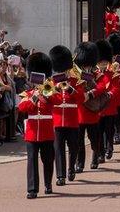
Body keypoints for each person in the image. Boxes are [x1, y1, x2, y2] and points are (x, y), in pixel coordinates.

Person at [17, 52, 56, 199]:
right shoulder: (27, 93)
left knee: (48, 160)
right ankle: (32, 189)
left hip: (46, 131)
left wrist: (45, 95)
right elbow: (22, 108)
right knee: (32, 161)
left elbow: (56, 100)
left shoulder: (49, 91)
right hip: (32, 132)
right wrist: (34, 97)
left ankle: (48, 184)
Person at [49, 45, 82, 185]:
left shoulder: (75, 82)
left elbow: (81, 98)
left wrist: (71, 90)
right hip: (57, 120)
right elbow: (48, 99)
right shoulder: (52, 82)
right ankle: (60, 176)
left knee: (74, 147)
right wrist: (55, 90)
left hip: (72, 119)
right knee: (59, 148)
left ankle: (71, 168)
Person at [73, 41, 102, 171]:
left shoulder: (96, 73)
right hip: (79, 111)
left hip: (92, 111)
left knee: (93, 138)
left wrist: (91, 92)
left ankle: (95, 156)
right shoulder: (75, 73)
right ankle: (80, 163)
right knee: (78, 141)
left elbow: (103, 86)